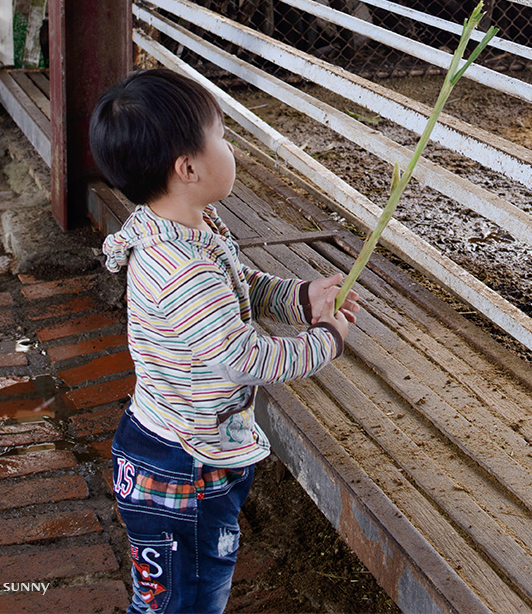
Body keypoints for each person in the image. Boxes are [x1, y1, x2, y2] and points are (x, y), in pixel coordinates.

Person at [89, 68, 360, 614]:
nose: (231, 147)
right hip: (183, 468)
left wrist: (303, 299)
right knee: (185, 600)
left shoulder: (187, 228)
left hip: (180, 448)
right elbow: (242, 357)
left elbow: (242, 288)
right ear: (188, 168)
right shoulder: (179, 267)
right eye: (222, 136)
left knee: (171, 595)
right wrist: (325, 340)